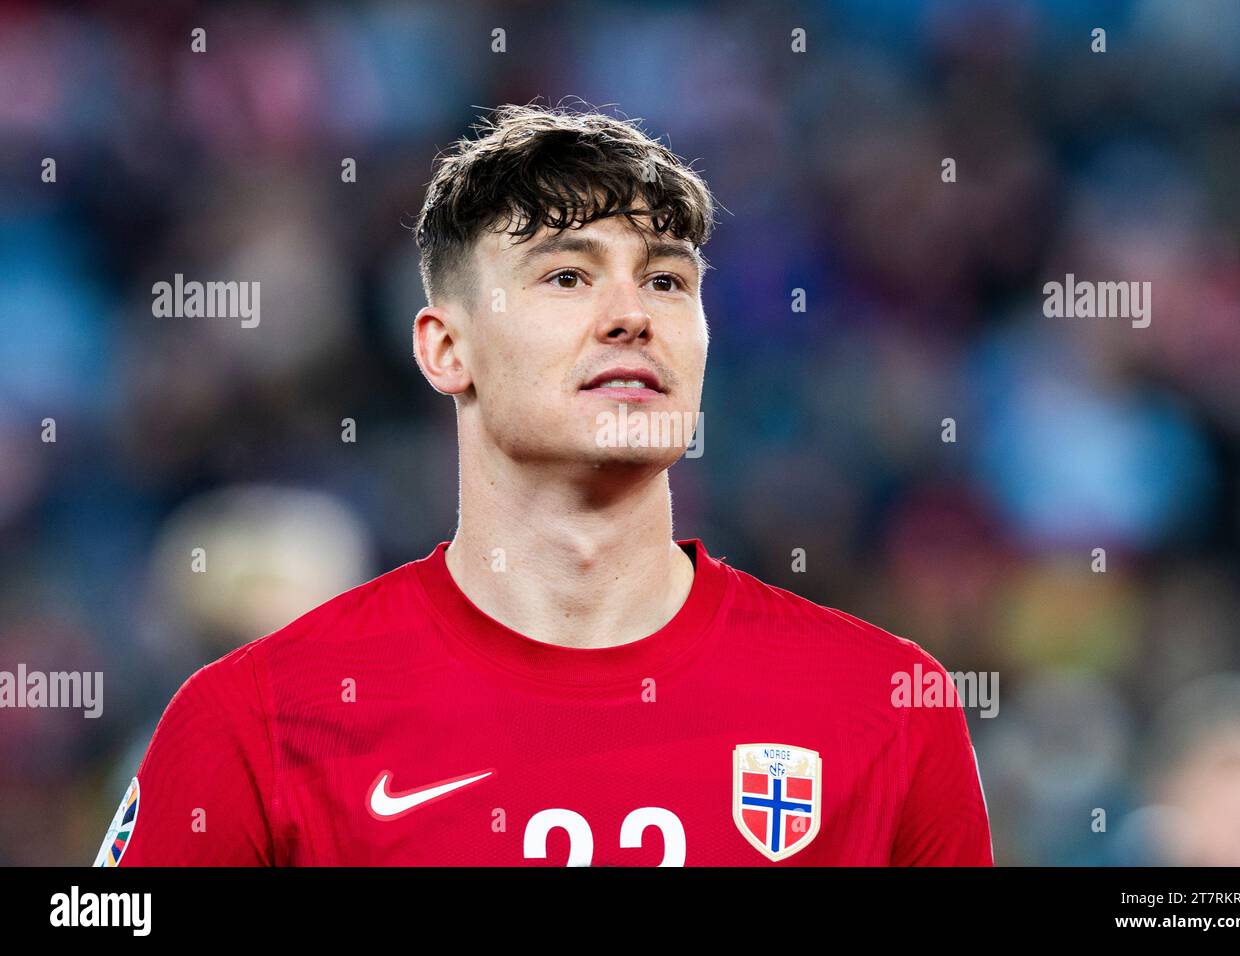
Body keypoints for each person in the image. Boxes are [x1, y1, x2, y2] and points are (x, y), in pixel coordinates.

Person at [94, 104, 993, 866]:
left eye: (668, 280)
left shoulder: (887, 709)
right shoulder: (255, 722)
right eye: (567, 274)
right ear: (447, 349)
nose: (633, 315)